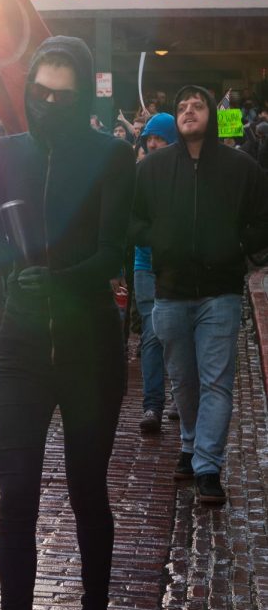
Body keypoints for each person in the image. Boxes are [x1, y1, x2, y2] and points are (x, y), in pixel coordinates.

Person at [0, 36, 136, 610]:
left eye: (63, 95)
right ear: (28, 86)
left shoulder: (109, 155)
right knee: (18, 498)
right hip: (21, 349)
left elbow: (114, 250)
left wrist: (60, 280)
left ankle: (95, 605)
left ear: (82, 93)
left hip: (90, 351)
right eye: (40, 92)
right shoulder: (4, 153)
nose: (48, 103)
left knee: (88, 490)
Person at [132, 85, 268, 505]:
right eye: (181, 107)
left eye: (197, 105)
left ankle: (208, 465)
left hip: (220, 292)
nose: (189, 111)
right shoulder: (152, 167)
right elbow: (133, 220)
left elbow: (261, 218)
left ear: (211, 113)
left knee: (217, 382)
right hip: (170, 289)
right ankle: (190, 444)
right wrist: (161, 241)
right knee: (184, 382)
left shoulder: (240, 167)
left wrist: (237, 245)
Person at [133, 113, 177, 435]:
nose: (152, 143)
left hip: (176, 266)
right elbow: (130, 222)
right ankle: (153, 405)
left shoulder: (186, 175)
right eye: (149, 138)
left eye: (159, 138)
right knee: (151, 334)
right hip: (145, 265)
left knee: (177, 334)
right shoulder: (138, 175)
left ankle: (181, 396)